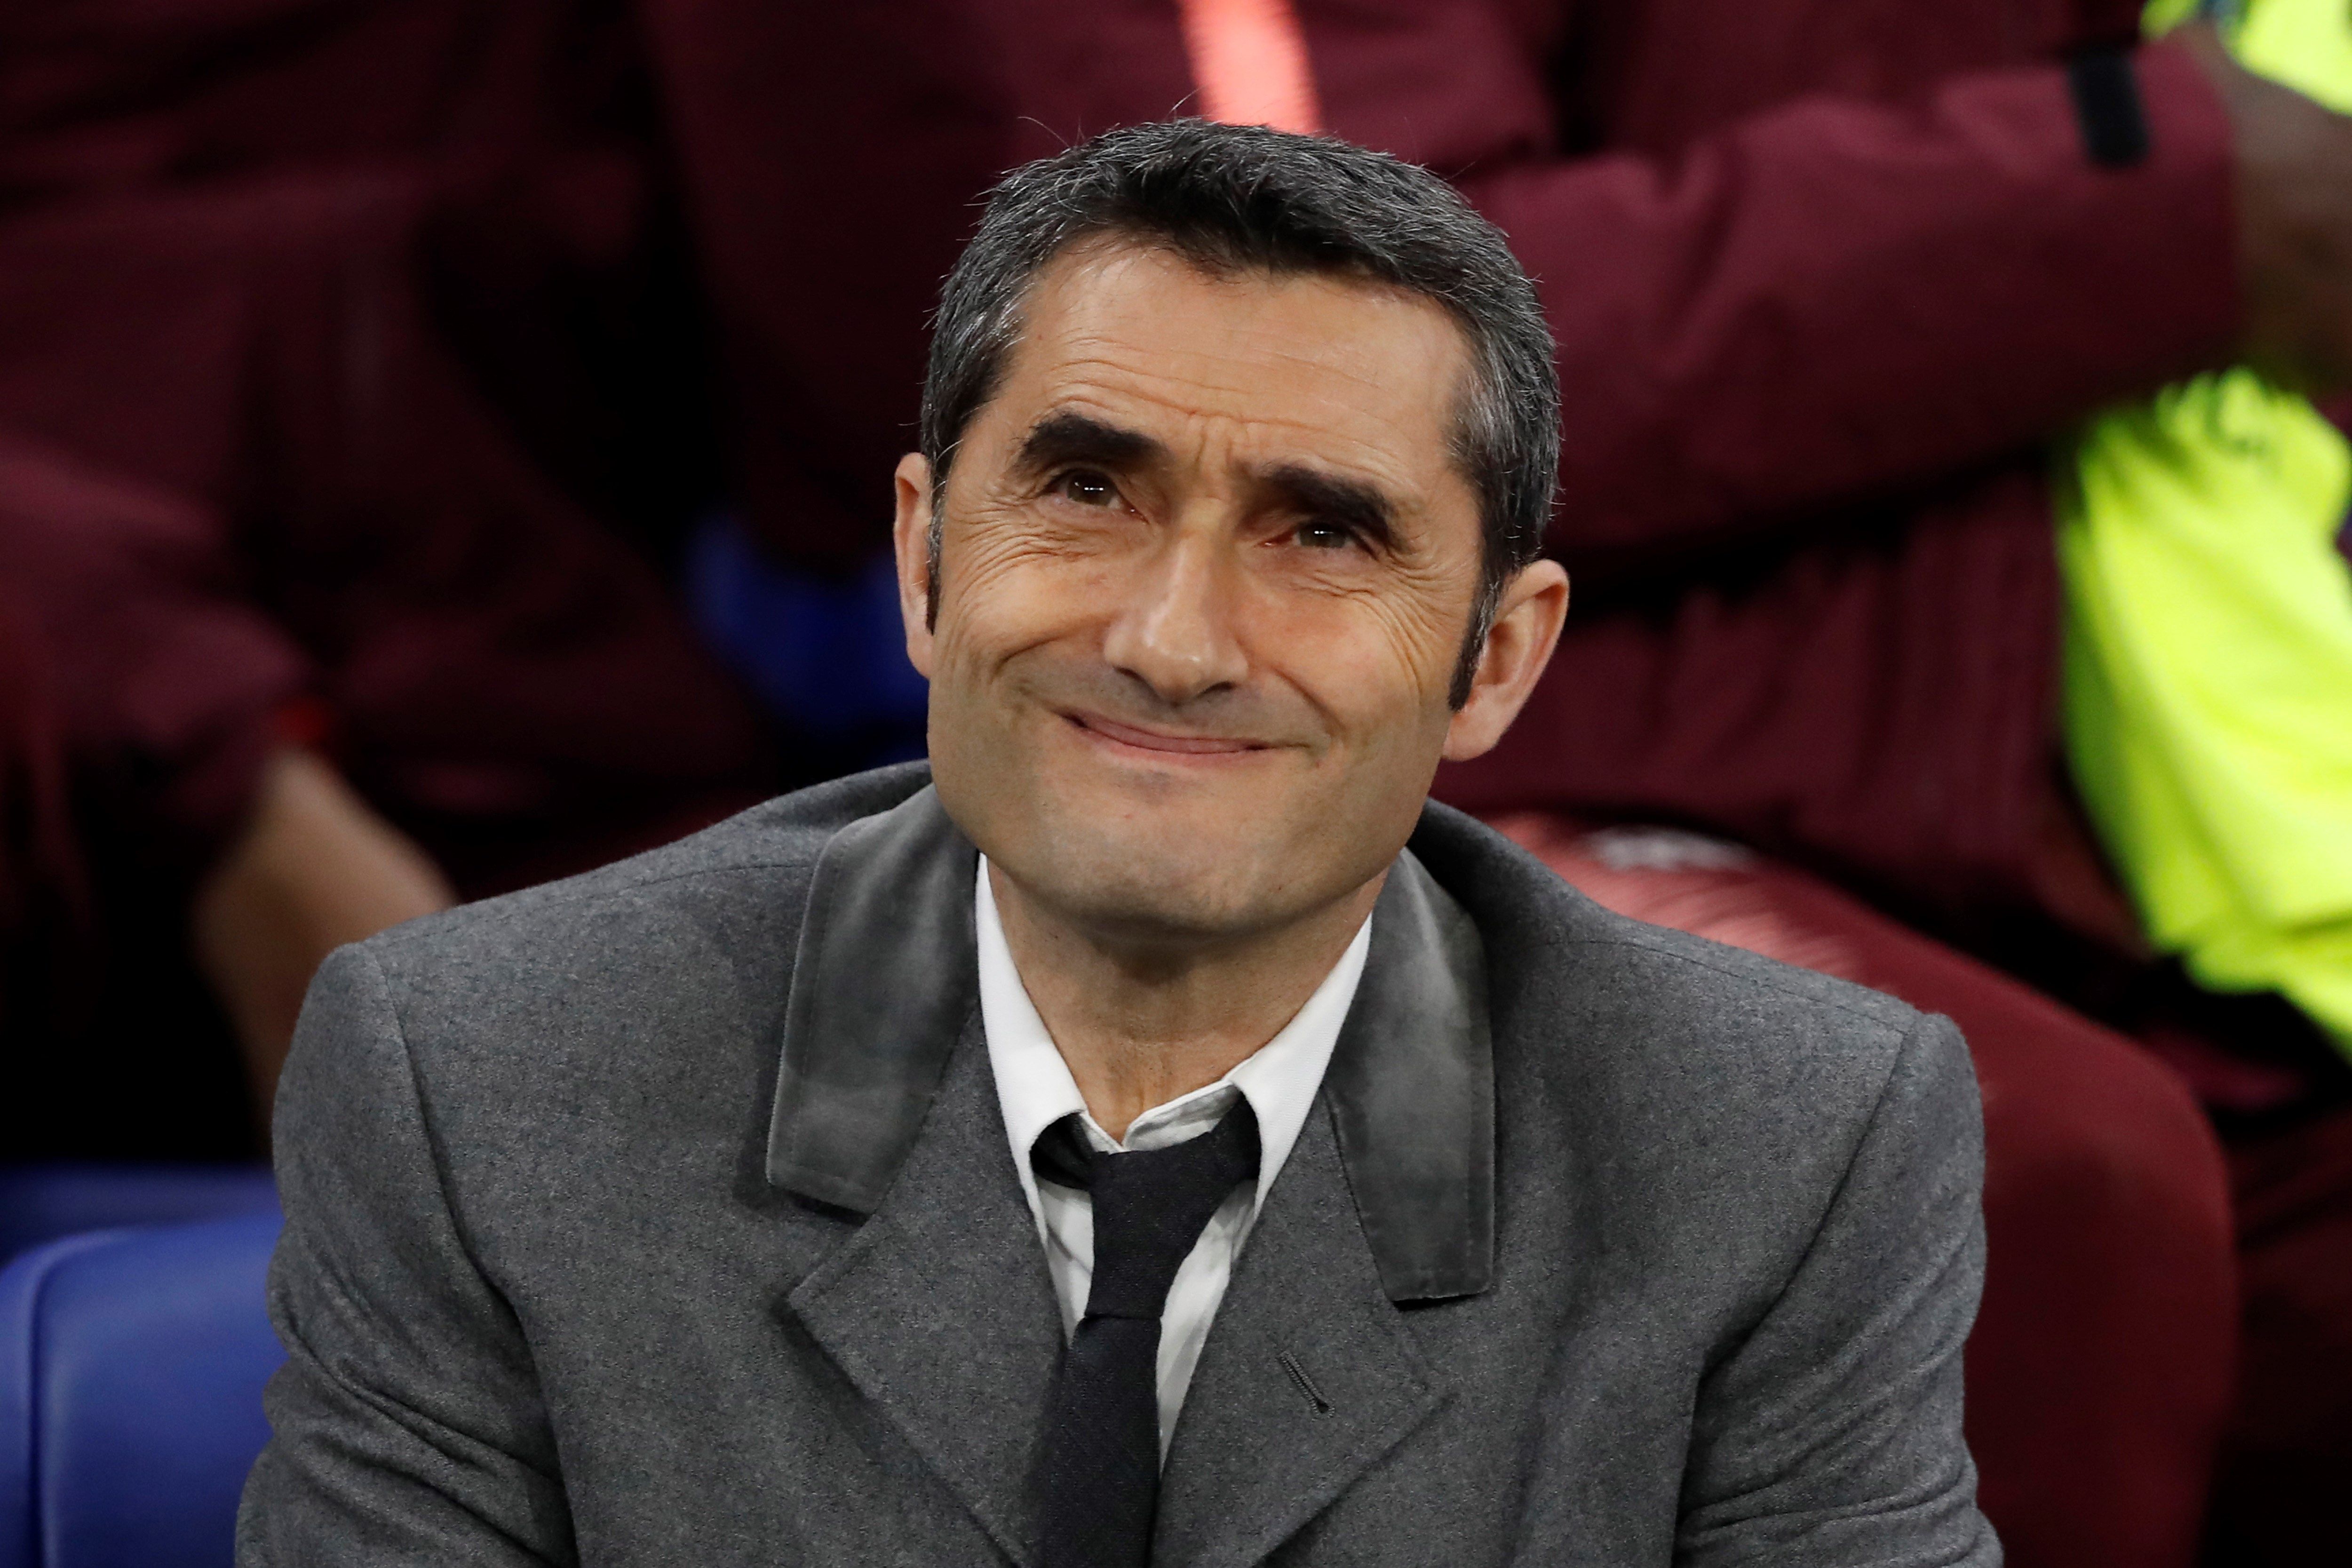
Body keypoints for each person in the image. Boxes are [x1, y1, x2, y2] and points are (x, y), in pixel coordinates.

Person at [239, 122, 1998, 1565]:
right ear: (925, 558)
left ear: (1498, 657)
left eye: (1321, 534)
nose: (1172, 638)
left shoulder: (1787, 1150)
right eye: (1088, 491)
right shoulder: (477, 1077)